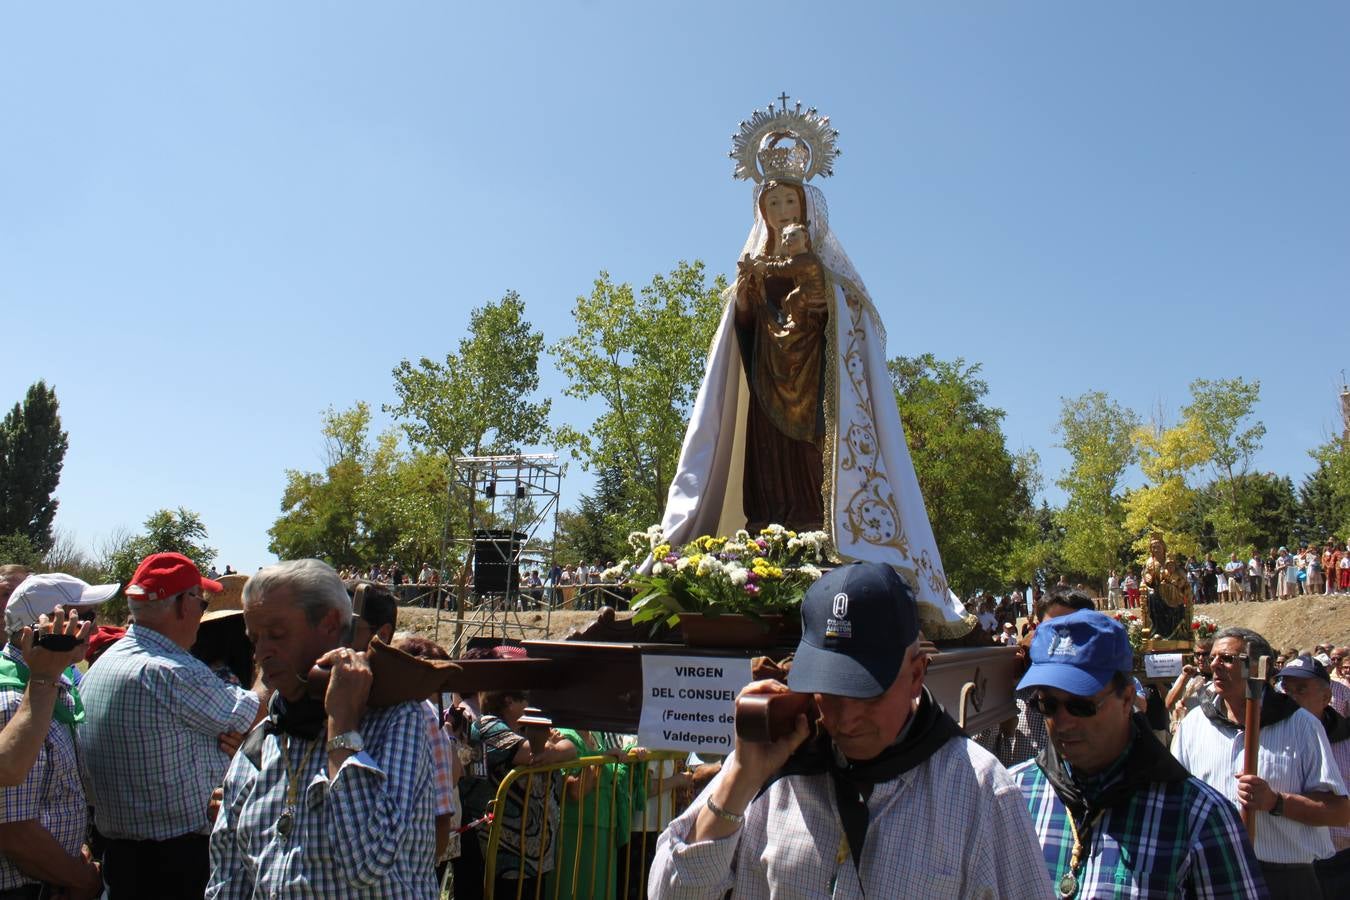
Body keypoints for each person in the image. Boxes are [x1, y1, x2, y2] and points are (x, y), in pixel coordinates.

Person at [648, 561, 1048, 897]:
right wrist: (739, 779)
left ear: (915, 675)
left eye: (868, 693)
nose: (845, 718)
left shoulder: (980, 792)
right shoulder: (769, 766)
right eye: (830, 690)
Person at [208, 559, 439, 898]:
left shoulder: (395, 720)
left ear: (330, 624)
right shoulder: (262, 743)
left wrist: (342, 726)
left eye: (277, 635)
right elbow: (227, 884)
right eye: (254, 639)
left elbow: (367, 865)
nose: (261, 653)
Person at [1011, 610, 1265, 897]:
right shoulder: (1012, 796)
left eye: (1082, 705)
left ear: (1127, 699)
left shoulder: (1200, 818)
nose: (1063, 721)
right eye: (1048, 705)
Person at [79, 553, 265, 900]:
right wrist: (273, 657)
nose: (202, 613)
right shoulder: (172, 671)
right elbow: (257, 712)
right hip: (177, 864)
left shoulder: (107, 663)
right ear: (183, 604)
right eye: (201, 601)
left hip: (121, 860)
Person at [1173, 626, 1349, 897]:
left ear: (1260, 669)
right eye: (1213, 658)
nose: (1215, 665)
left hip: (1283, 880)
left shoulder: (1301, 725)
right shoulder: (1195, 725)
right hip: (1214, 874)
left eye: (1229, 658)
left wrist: (1276, 802)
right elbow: (1175, 800)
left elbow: (1339, 811)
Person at [0, 575, 115, 899]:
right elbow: (13, 831)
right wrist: (82, 879)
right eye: (85, 618)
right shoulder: (13, 700)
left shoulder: (50, 683)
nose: (93, 628)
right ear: (43, 627)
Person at [472, 691, 578, 898]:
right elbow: (536, 753)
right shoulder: (488, 726)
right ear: (509, 701)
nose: (533, 706)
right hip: (506, 859)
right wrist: (551, 749)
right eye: (528, 700)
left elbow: (570, 749)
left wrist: (552, 751)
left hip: (533, 859)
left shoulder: (523, 729)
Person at [1277, 655, 1350, 894]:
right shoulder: (1271, 739)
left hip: (1341, 861)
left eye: (1301, 690)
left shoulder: (1346, 741)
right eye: (1285, 689)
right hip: (1289, 861)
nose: (1291, 697)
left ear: (1326, 698)